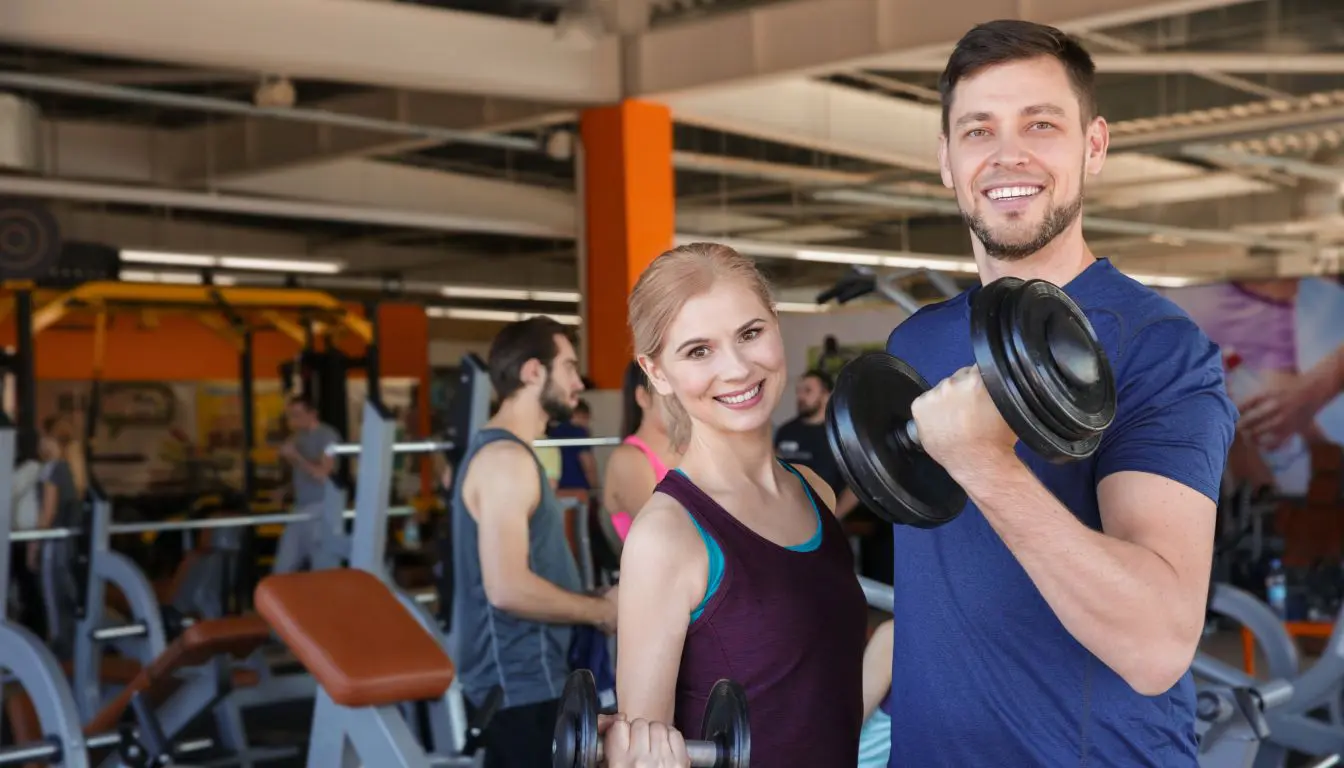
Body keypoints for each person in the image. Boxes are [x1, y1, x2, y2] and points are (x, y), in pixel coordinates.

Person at [880, 20, 1237, 766]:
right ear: (946, 160)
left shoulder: (1159, 347)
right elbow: (945, 594)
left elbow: (1157, 643)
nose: (1008, 154)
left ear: (1094, 145)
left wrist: (983, 461)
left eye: (1040, 125)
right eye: (978, 130)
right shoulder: (914, 345)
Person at [605, 242, 868, 766]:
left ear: (775, 324)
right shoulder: (668, 535)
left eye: (750, 334)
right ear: (656, 373)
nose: (738, 368)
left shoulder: (813, 489)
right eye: (698, 351)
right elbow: (643, 753)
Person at [450, 315, 619, 768]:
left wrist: (592, 597)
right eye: (568, 366)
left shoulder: (511, 454)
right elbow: (507, 589)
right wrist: (601, 612)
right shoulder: (505, 459)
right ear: (532, 372)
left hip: (533, 683)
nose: (578, 381)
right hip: (520, 689)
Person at [602, 361, 681, 542]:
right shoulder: (629, 459)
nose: (682, 404)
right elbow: (663, 535)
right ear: (643, 397)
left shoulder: (690, 451)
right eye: (671, 394)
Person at [773, 369, 858, 519]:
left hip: (825, 518)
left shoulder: (841, 434)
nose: (800, 396)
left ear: (826, 395)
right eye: (798, 391)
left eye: (808, 391)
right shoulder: (785, 431)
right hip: (786, 517)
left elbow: (857, 485)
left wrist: (836, 515)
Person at [273, 395, 340, 574]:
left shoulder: (327, 436)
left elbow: (322, 474)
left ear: (313, 414)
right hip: (300, 508)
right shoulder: (298, 437)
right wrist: (286, 489)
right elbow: (303, 472)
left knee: (322, 568)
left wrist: (295, 456)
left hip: (320, 508)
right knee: (282, 568)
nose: (293, 420)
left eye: (297, 415)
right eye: (291, 415)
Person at [549, 399, 600, 492]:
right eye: (587, 418)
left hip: (556, 488)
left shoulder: (553, 432)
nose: (587, 423)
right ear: (581, 415)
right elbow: (588, 463)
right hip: (578, 487)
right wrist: (595, 488)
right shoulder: (580, 433)